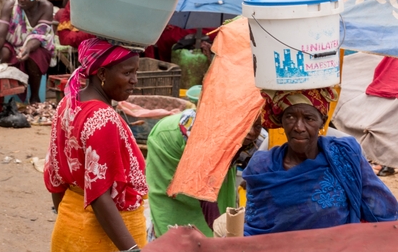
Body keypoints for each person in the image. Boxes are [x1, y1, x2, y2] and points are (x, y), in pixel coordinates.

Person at [242, 88, 398, 235]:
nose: (299, 127)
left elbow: (380, 208)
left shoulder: (344, 155)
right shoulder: (262, 166)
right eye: (290, 117)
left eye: (309, 118)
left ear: (322, 122)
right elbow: (255, 227)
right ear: (281, 121)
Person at [45, 38, 147, 252]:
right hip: (101, 238)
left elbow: (54, 172)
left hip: (70, 226)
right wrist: (131, 249)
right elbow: (100, 195)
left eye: (135, 72)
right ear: (102, 74)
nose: (134, 80)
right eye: (127, 73)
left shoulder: (68, 103)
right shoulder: (103, 118)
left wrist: (68, 216)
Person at [147, 109, 262, 239]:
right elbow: (205, 190)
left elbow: (263, 172)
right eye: (246, 124)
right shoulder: (203, 133)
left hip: (218, 153)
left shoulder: (254, 136)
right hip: (172, 150)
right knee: (176, 224)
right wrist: (222, 233)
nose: (251, 132)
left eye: (257, 126)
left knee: (222, 202)